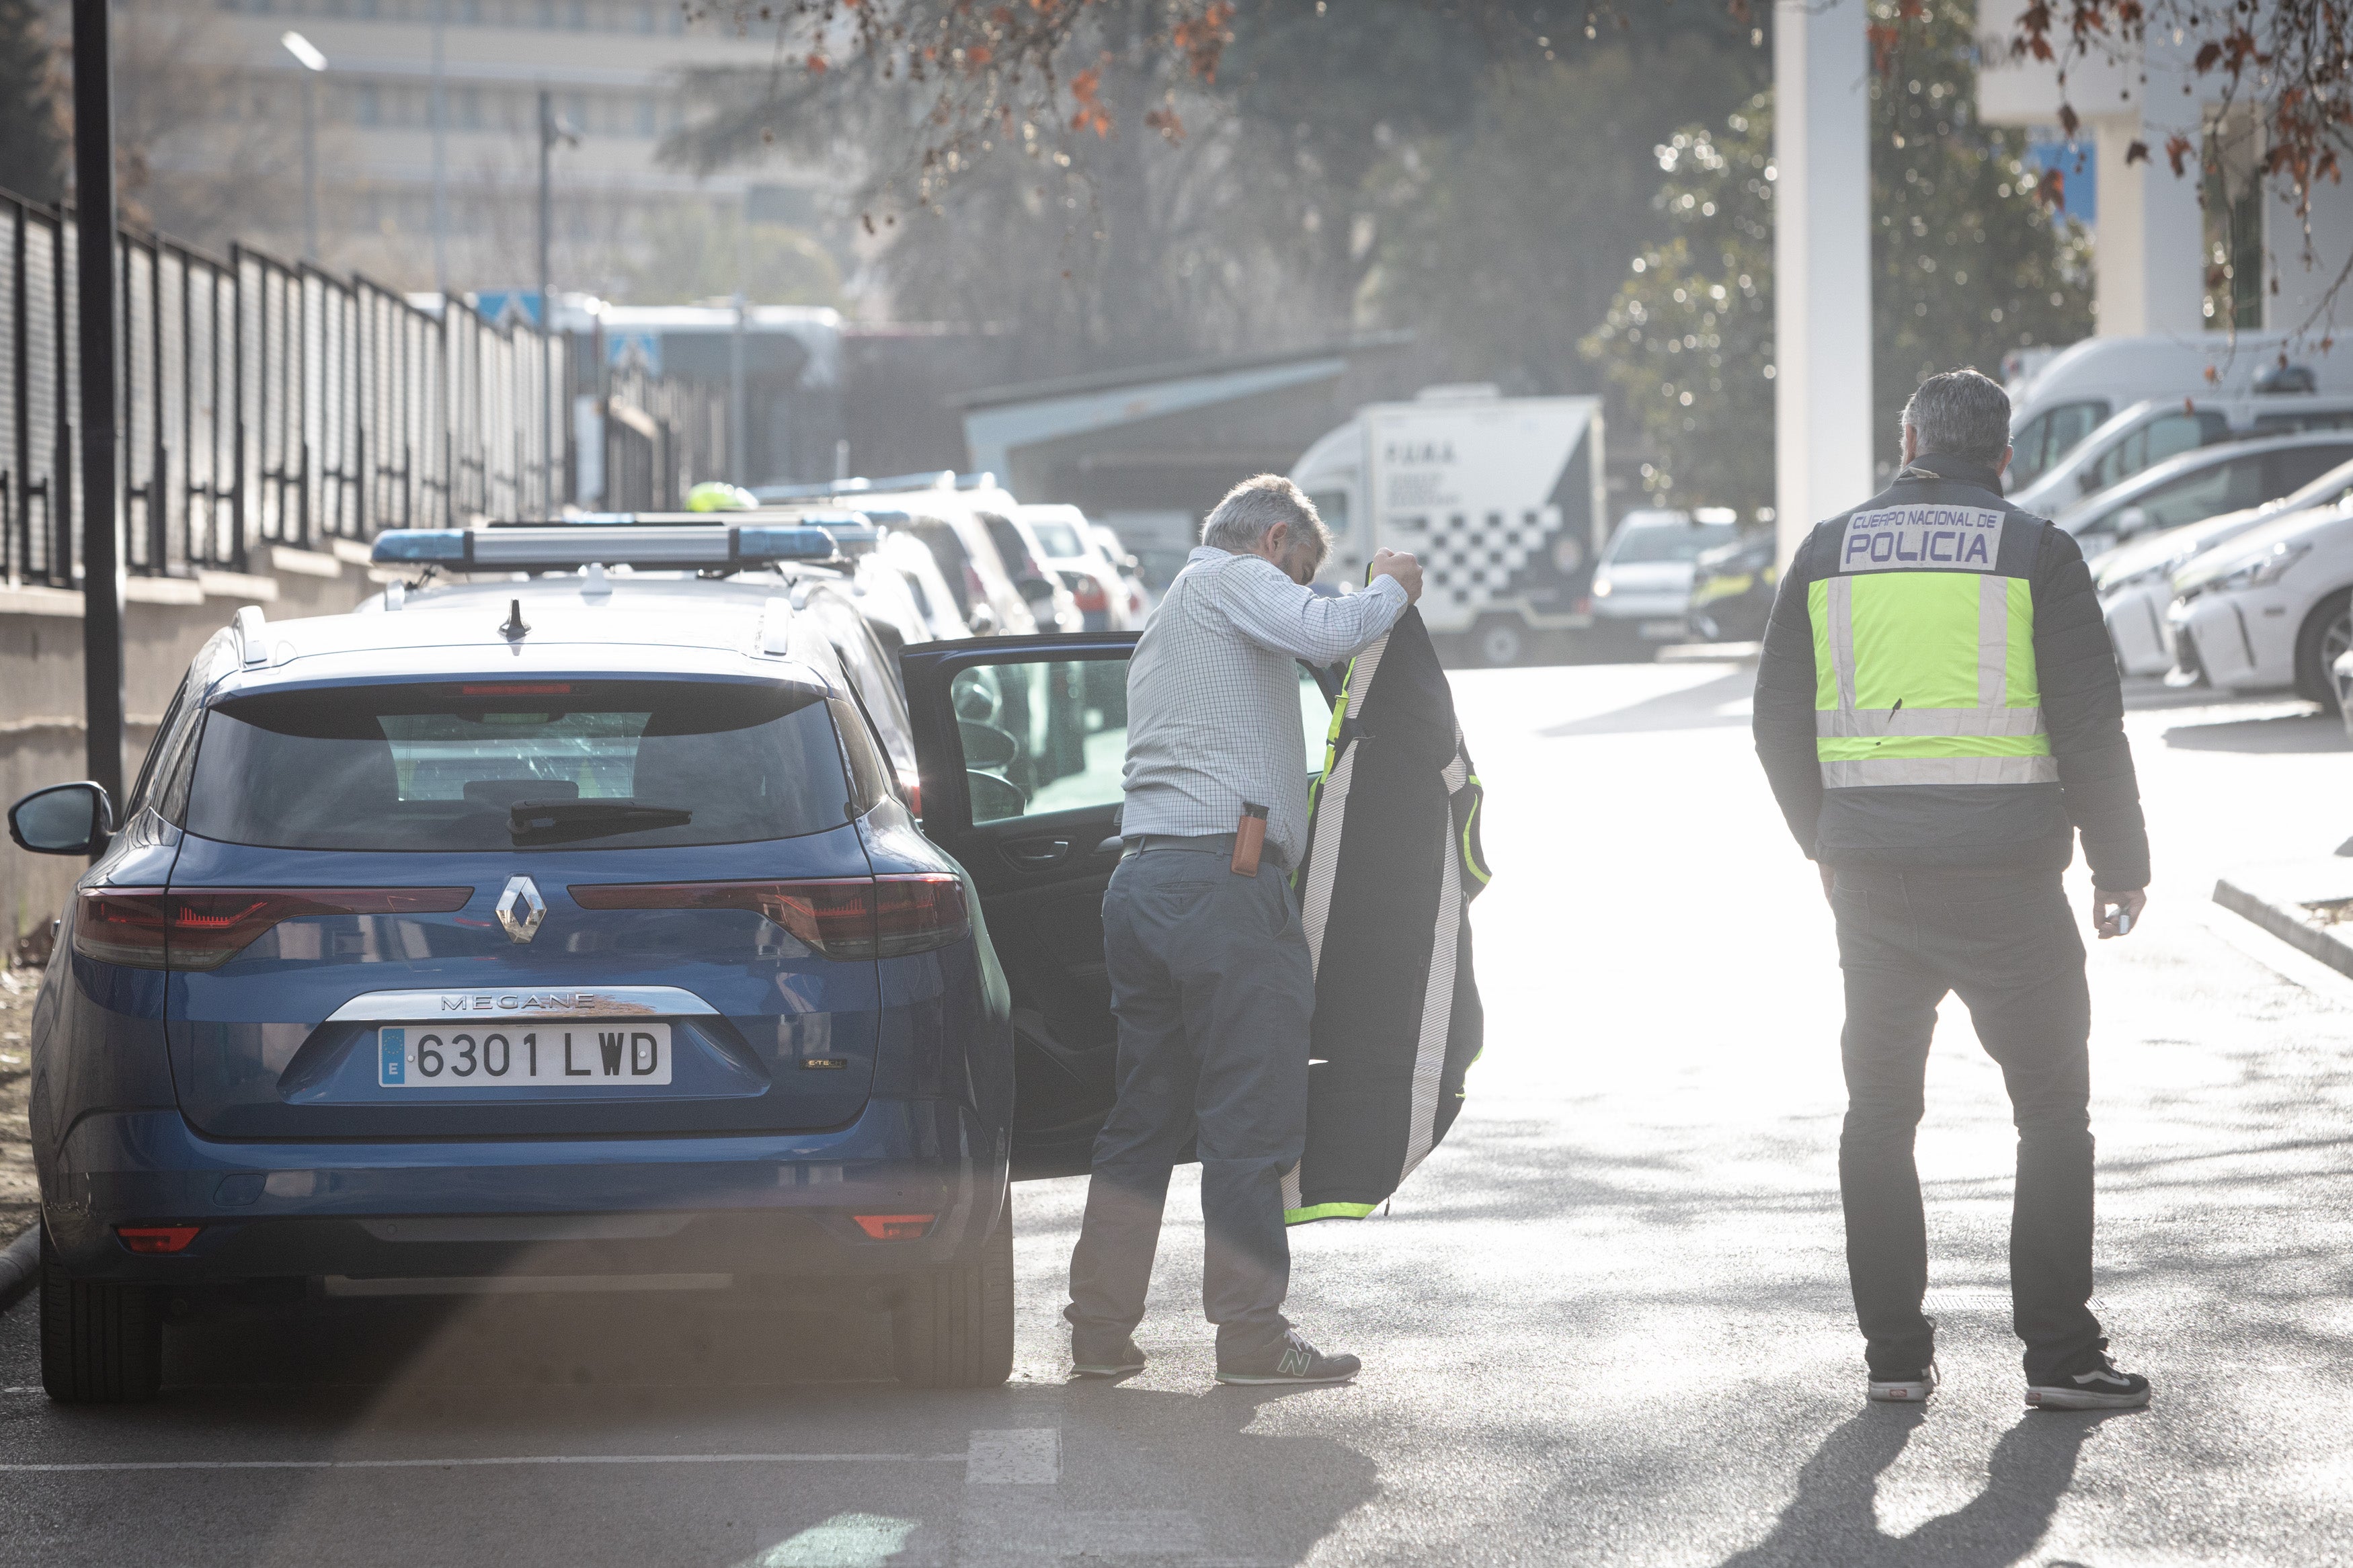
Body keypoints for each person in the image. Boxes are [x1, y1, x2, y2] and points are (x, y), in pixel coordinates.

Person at [1752, 368, 2154, 1412]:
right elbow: (2089, 729)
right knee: (2053, 1114)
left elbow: (1775, 718)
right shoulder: (2038, 552)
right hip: (2011, 886)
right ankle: (2060, 1356)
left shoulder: (1829, 550)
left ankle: (1894, 1356)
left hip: (1874, 888)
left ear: (1907, 439)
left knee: (1879, 1116)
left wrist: (1823, 841)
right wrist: (2122, 865)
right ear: (2005, 454)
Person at [1065, 474, 1422, 1385]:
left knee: (1144, 1118)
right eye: (1301, 568)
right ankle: (1252, 1339)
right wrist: (1391, 585)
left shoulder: (1172, 617)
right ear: (1272, 543)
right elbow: (1330, 630)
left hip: (1142, 880)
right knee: (1247, 1123)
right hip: (1224, 891)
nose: (1301, 587)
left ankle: (1100, 1330)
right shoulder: (1233, 577)